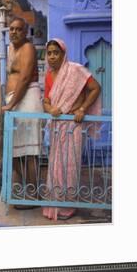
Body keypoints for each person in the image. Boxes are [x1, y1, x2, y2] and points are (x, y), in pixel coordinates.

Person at [42, 38, 101, 221]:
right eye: (49, 53)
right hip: (58, 127)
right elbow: (46, 101)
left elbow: (95, 88)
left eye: (56, 52)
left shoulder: (75, 70)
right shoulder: (49, 76)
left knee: (69, 165)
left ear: (63, 53)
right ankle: (54, 204)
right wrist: (51, 109)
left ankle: (67, 207)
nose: (52, 56)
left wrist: (83, 108)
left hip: (73, 126)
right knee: (55, 165)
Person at [1, 17, 42, 208]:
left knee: (29, 151)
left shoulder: (28, 48)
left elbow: (24, 78)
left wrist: (11, 104)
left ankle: (33, 194)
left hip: (26, 100)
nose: (14, 32)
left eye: (19, 29)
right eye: (11, 29)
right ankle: (27, 190)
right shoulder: (11, 49)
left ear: (25, 32)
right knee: (16, 152)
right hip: (14, 101)